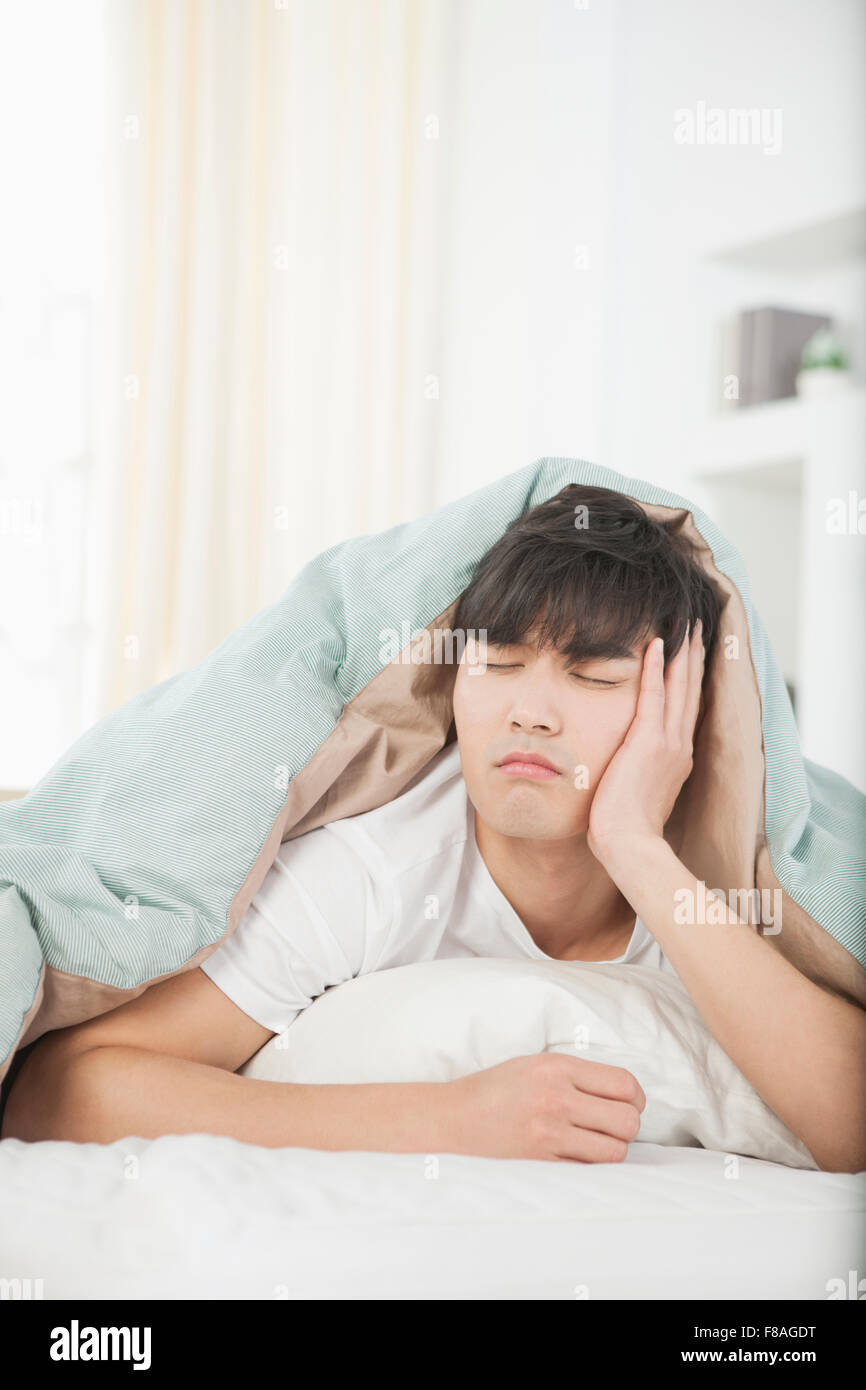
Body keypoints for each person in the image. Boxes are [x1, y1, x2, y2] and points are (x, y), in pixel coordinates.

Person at [4, 486, 865, 1170]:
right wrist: (450, 1119)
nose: (528, 712)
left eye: (594, 676)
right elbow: (59, 1092)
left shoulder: (713, 875)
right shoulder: (379, 865)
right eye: (499, 662)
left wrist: (638, 850)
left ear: (686, 713)